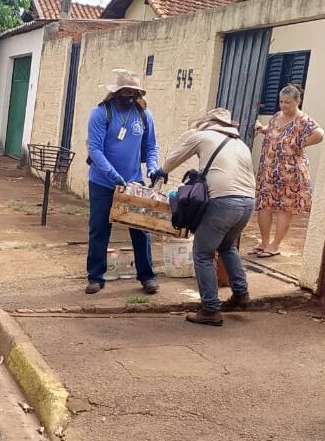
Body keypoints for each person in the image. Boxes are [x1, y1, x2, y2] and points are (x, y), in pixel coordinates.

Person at [154, 108, 256, 326]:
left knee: (202, 253)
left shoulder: (202, 136)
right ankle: (241, 294)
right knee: (227, 246)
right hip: (248, 203)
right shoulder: (241, 144)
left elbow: (173, 159)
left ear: (208, 122)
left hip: (223, 202)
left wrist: (161, 171)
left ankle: (210, 310)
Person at [85, 69, 161, 295]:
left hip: (134, 182)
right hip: (102, 182)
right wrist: (113, 175)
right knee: (99, 229)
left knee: (140, 229)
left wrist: (154, 168)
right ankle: (96, 277)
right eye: (125, 91)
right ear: (115, 93)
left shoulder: (144, 115)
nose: (129, 95)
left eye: (133, 91)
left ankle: (147, 276)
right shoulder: (100, 114)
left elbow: (151, 146)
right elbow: (95, 150)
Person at [251, 84, 324, 258]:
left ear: (297, 102)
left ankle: (275, 245)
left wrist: (301, 143)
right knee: (264, 204)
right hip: (269, 170)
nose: (284, 105)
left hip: (291, 173)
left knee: (286, 208)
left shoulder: (303, 120)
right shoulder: (277, 116)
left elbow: (320, 134)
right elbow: (274, 131)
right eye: (281, 102)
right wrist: (263, 129)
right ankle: (264, 242)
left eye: (288, 102)